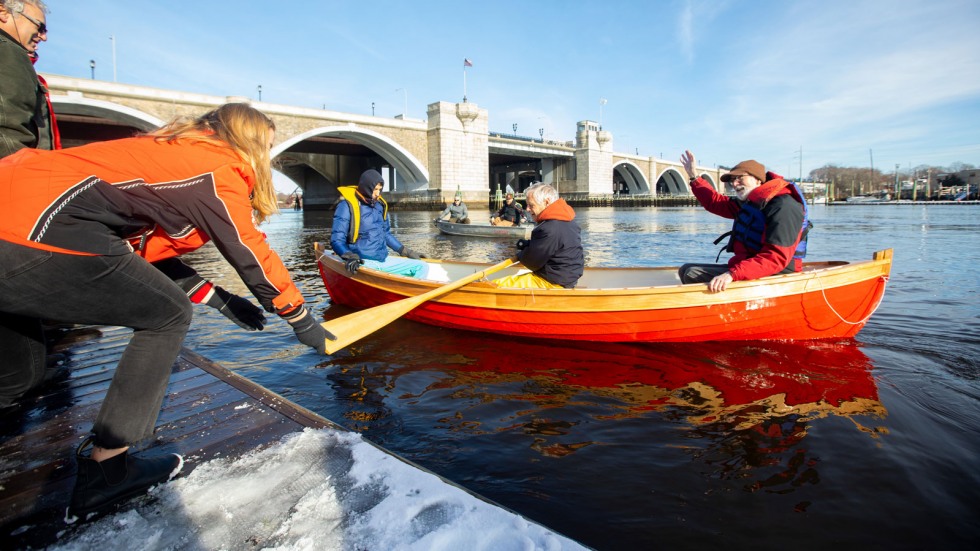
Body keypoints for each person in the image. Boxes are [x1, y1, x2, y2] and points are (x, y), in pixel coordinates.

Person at [0, 103, 331, 521]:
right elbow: (247, 248)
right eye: (266, 146)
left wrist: (218, 297)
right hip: (28, 229)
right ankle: (107, 469)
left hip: (16, 215)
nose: (268, 157)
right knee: (167, 316)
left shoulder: (169, 156)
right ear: (246, 141)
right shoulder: (215, 168)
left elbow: (138, 254)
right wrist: (300, 317)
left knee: (17, 375)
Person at [678, 150, 810, 293]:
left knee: (691, 274)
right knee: (685, 269)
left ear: (758, 179)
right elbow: (715, 202)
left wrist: (732, 274)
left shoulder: (784, 206)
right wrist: (694, 177)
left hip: (779, 272)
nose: (735, 183)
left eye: (740, 178)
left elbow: (776, 258)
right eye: (732, 180)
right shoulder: (751, 202)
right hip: (752, 266)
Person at [331, 169, 429, 278]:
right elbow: (337, 240)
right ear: (366, 187)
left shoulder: (380, 206)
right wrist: (350, 256)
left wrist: (405, 251)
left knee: (422, 266)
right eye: (375, 189)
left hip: (382, 260)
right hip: (363, 262)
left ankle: (408, 294)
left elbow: (386, 234)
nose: (378, 193)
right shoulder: (346, 206)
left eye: (380, 189)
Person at [493, 183, 583, 289]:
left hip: (551, 282)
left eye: (531, 205)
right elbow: (553, 246)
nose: (527, 209)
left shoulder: (548, 228)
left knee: (497, 285)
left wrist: (522, 253)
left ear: (547, 202)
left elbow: (531, 262)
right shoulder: (569, 221)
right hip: (568, 279)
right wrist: (529, 245)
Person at [0, 0, 59, 158]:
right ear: (3, 13)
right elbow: (10, 132)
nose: (44, 37)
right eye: (39, 27)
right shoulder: (8, 52)